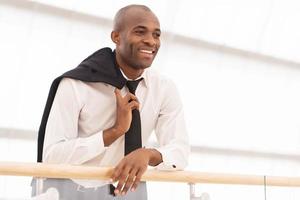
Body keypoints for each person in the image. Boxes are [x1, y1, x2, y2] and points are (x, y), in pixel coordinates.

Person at [34, 4, 189, 200]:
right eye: (140, 32)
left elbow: (180, 150)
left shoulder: (164, 88)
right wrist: (113, 132)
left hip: (131, 192)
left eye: (156, 35)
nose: (150, 41)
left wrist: (147, 154)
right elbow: (51, 156)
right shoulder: (76, 84)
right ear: (116, 37)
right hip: (73, 192)